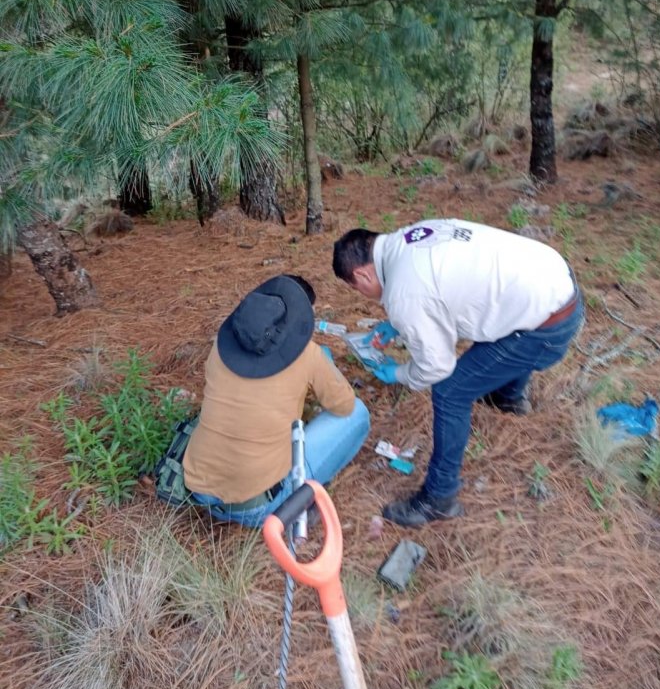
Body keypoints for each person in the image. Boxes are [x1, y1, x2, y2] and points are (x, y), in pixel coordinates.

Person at [332, 219, 583, 527]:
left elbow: (437, 366)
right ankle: (507, 398)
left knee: (450, 392)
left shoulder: (404, 293)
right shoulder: (410, 238)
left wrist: (398, 373)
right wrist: (397, 325)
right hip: (555, 282)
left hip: (547, 327)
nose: (362, 294)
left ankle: (438, 498)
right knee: (494, 326)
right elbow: (444, 294)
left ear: (361, 273)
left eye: (356, 288)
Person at [178, 274, 370, 528]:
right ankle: (299, 501)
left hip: (199, 492)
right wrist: (322, 371)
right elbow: (344, 405)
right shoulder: (308, 355)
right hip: (258, 508)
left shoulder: (219, 347)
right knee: (357, 413)